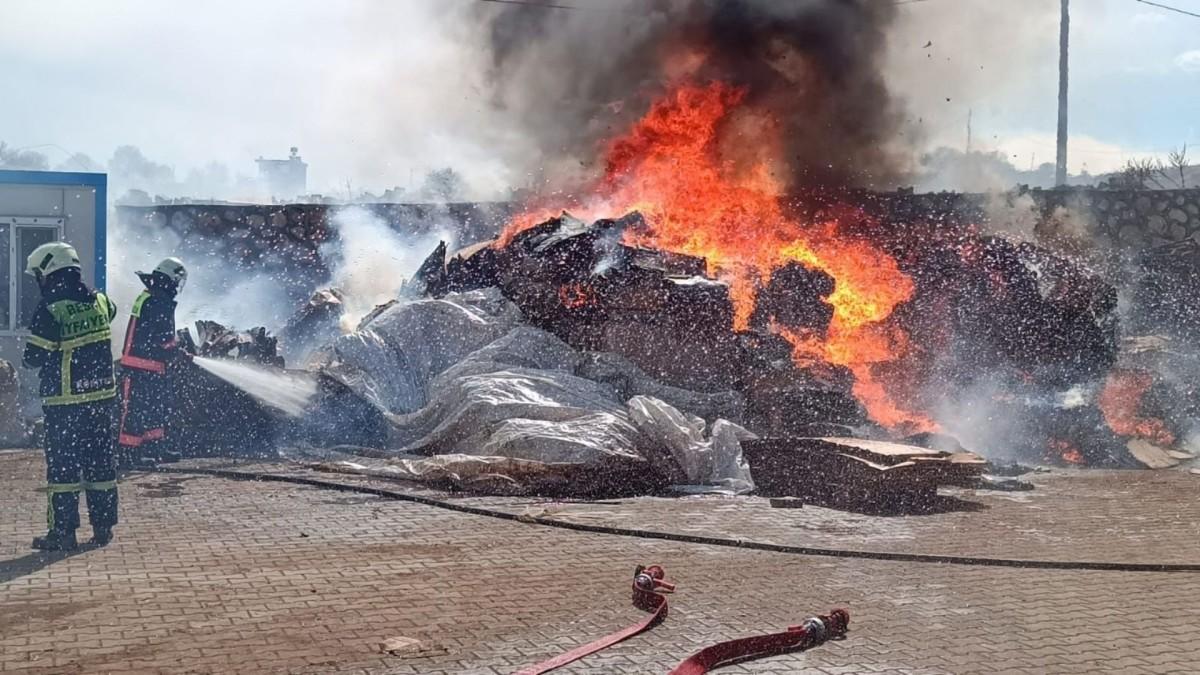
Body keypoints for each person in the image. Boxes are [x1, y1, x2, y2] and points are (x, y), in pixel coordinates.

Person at [22, 242, 119, 551]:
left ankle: (62, 533)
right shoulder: (100, 300)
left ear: (49, 271)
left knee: (63, 473)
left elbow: (34, 357)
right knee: (101, 468)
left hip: (65, 405)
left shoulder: (51, 307)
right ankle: (103, 529)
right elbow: (112, 313)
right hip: (103, 401)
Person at [117, 257, 188, 466]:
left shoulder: (152, 295)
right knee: (137, 410)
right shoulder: (160, 300)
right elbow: (164, 338)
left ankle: (153, 449)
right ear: (172, 278)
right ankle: (129, 454)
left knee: (154, 408)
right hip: (142, 365)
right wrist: (177, 352)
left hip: (148, 364)